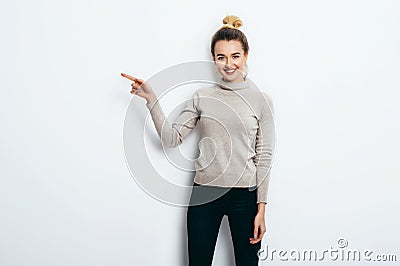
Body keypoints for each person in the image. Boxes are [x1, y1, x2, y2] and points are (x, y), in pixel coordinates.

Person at [121, 15, 275, 266]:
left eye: (235, 55)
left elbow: (265, 155)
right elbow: (171, 139)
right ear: (213, 59)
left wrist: (262, 208)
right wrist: (152, 100)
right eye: (221, 57)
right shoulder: (202, 96)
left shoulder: (262, 100)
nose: (229, 64)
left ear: (246, 55)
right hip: (204, 195)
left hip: (244, 198)